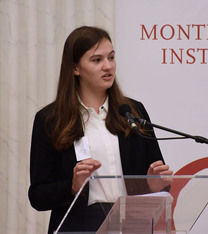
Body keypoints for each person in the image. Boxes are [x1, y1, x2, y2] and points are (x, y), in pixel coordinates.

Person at [28, 26, 173, 233]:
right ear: (75, 68)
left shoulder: (133, 111)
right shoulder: (50, 120)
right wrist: (72, 186)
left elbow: (154, 178)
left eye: (111, 57)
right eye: (97, 60)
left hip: (131, 224)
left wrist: (154, 185)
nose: (108, 66)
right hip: (79, 225)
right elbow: (38, 196)